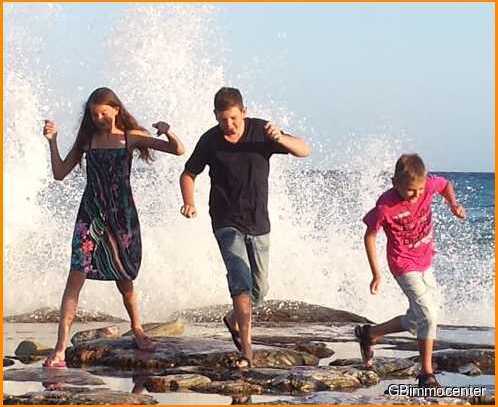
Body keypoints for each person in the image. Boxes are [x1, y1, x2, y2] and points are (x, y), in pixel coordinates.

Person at [42, 87, 185, 368]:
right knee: (75, 276)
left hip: (121, 216)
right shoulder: (88, 140)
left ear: (116, 109)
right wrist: (52, 142)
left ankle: (138, 329)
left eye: (104, 113)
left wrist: (168, 132)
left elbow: (177, 150)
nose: (99, 119)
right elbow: (59, 174)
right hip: (91, 215)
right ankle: (60, 348)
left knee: (125, 279)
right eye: (94, 114)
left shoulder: (131, 137)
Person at [179, 87, 311, 368]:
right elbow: (188, 173)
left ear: (244, 112)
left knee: (259, 290)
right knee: (240, 279)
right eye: (223, 119)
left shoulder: (262, 131)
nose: (229, 125)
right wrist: (189, 202)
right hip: (226, 221)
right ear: (216, 116)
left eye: (234, 119)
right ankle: (246, 350)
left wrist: (282, 139)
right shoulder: (210, 140)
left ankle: (232, 318)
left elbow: (304, 150)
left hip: (259, 222)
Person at [356, 153, 466, 387]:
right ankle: (426, 373)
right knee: (428, 314)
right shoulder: (385, 206)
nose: (417, 195)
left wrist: (453, 204)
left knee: (417, 320)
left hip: (425, 259)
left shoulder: (427, 186)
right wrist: (376, 273)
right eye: (410, 191)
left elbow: (446, 185)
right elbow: (370, 236)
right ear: (394, 182)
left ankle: (370, 333)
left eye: (420, 189)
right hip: (402, 264)